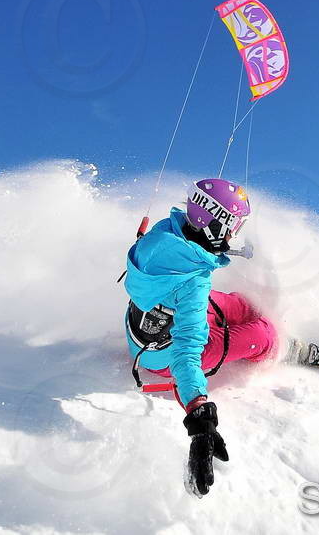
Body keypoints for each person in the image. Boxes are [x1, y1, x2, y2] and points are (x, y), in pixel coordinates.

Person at [123, 178, 277, 496]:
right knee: (264, 334)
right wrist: (199, 417)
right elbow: (186, 353)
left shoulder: (168, 232)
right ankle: (276, 347)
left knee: (242, 305)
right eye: (232, 225)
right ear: (213, 223)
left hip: (150, 322)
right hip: (163, 355)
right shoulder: (193, 283)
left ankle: (250, 322)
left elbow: (184, 275)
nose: (233, 234)